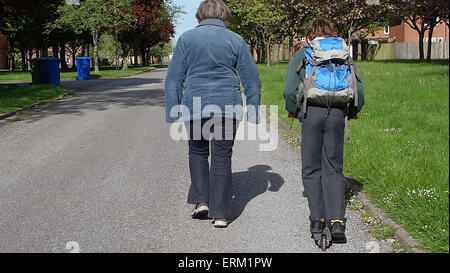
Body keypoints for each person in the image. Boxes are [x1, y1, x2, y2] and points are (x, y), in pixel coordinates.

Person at [165, 0, 261, 228]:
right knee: (221, 156)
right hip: (227, 105)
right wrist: (254, 111)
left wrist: (172, 110)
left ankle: (201, 201)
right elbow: (252, 80)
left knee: (197, 152)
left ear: (200, 15)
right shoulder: (236, 40)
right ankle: (220, 214)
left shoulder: (186, 39)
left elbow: (174, 78)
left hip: (194, 104)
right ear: (224, 15)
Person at [283, 19, 365, 247]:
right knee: (333, 166)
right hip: (337, 113)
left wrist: (295, 112)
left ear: (309, 37)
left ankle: (318, 222)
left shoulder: (304, 53)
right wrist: (353, 111)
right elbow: (359, 88)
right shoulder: (343, 54)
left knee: (311, 168)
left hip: (311, 113)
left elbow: (288, 90)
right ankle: (337, 222)